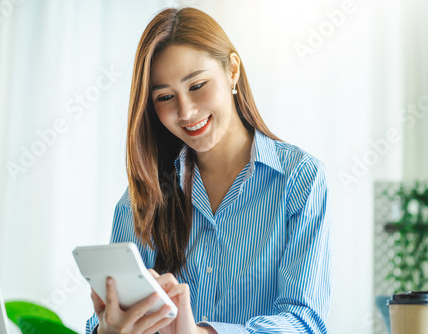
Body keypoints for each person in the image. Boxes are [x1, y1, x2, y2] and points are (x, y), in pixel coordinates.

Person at [86, 6, 331, 334]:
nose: (185, 111)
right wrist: (108, 329)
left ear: (232, 70)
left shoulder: (300, 179)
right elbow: (104, 320)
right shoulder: (143, 199)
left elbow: (305, 322)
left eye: (198, 85)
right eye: (165, 96)